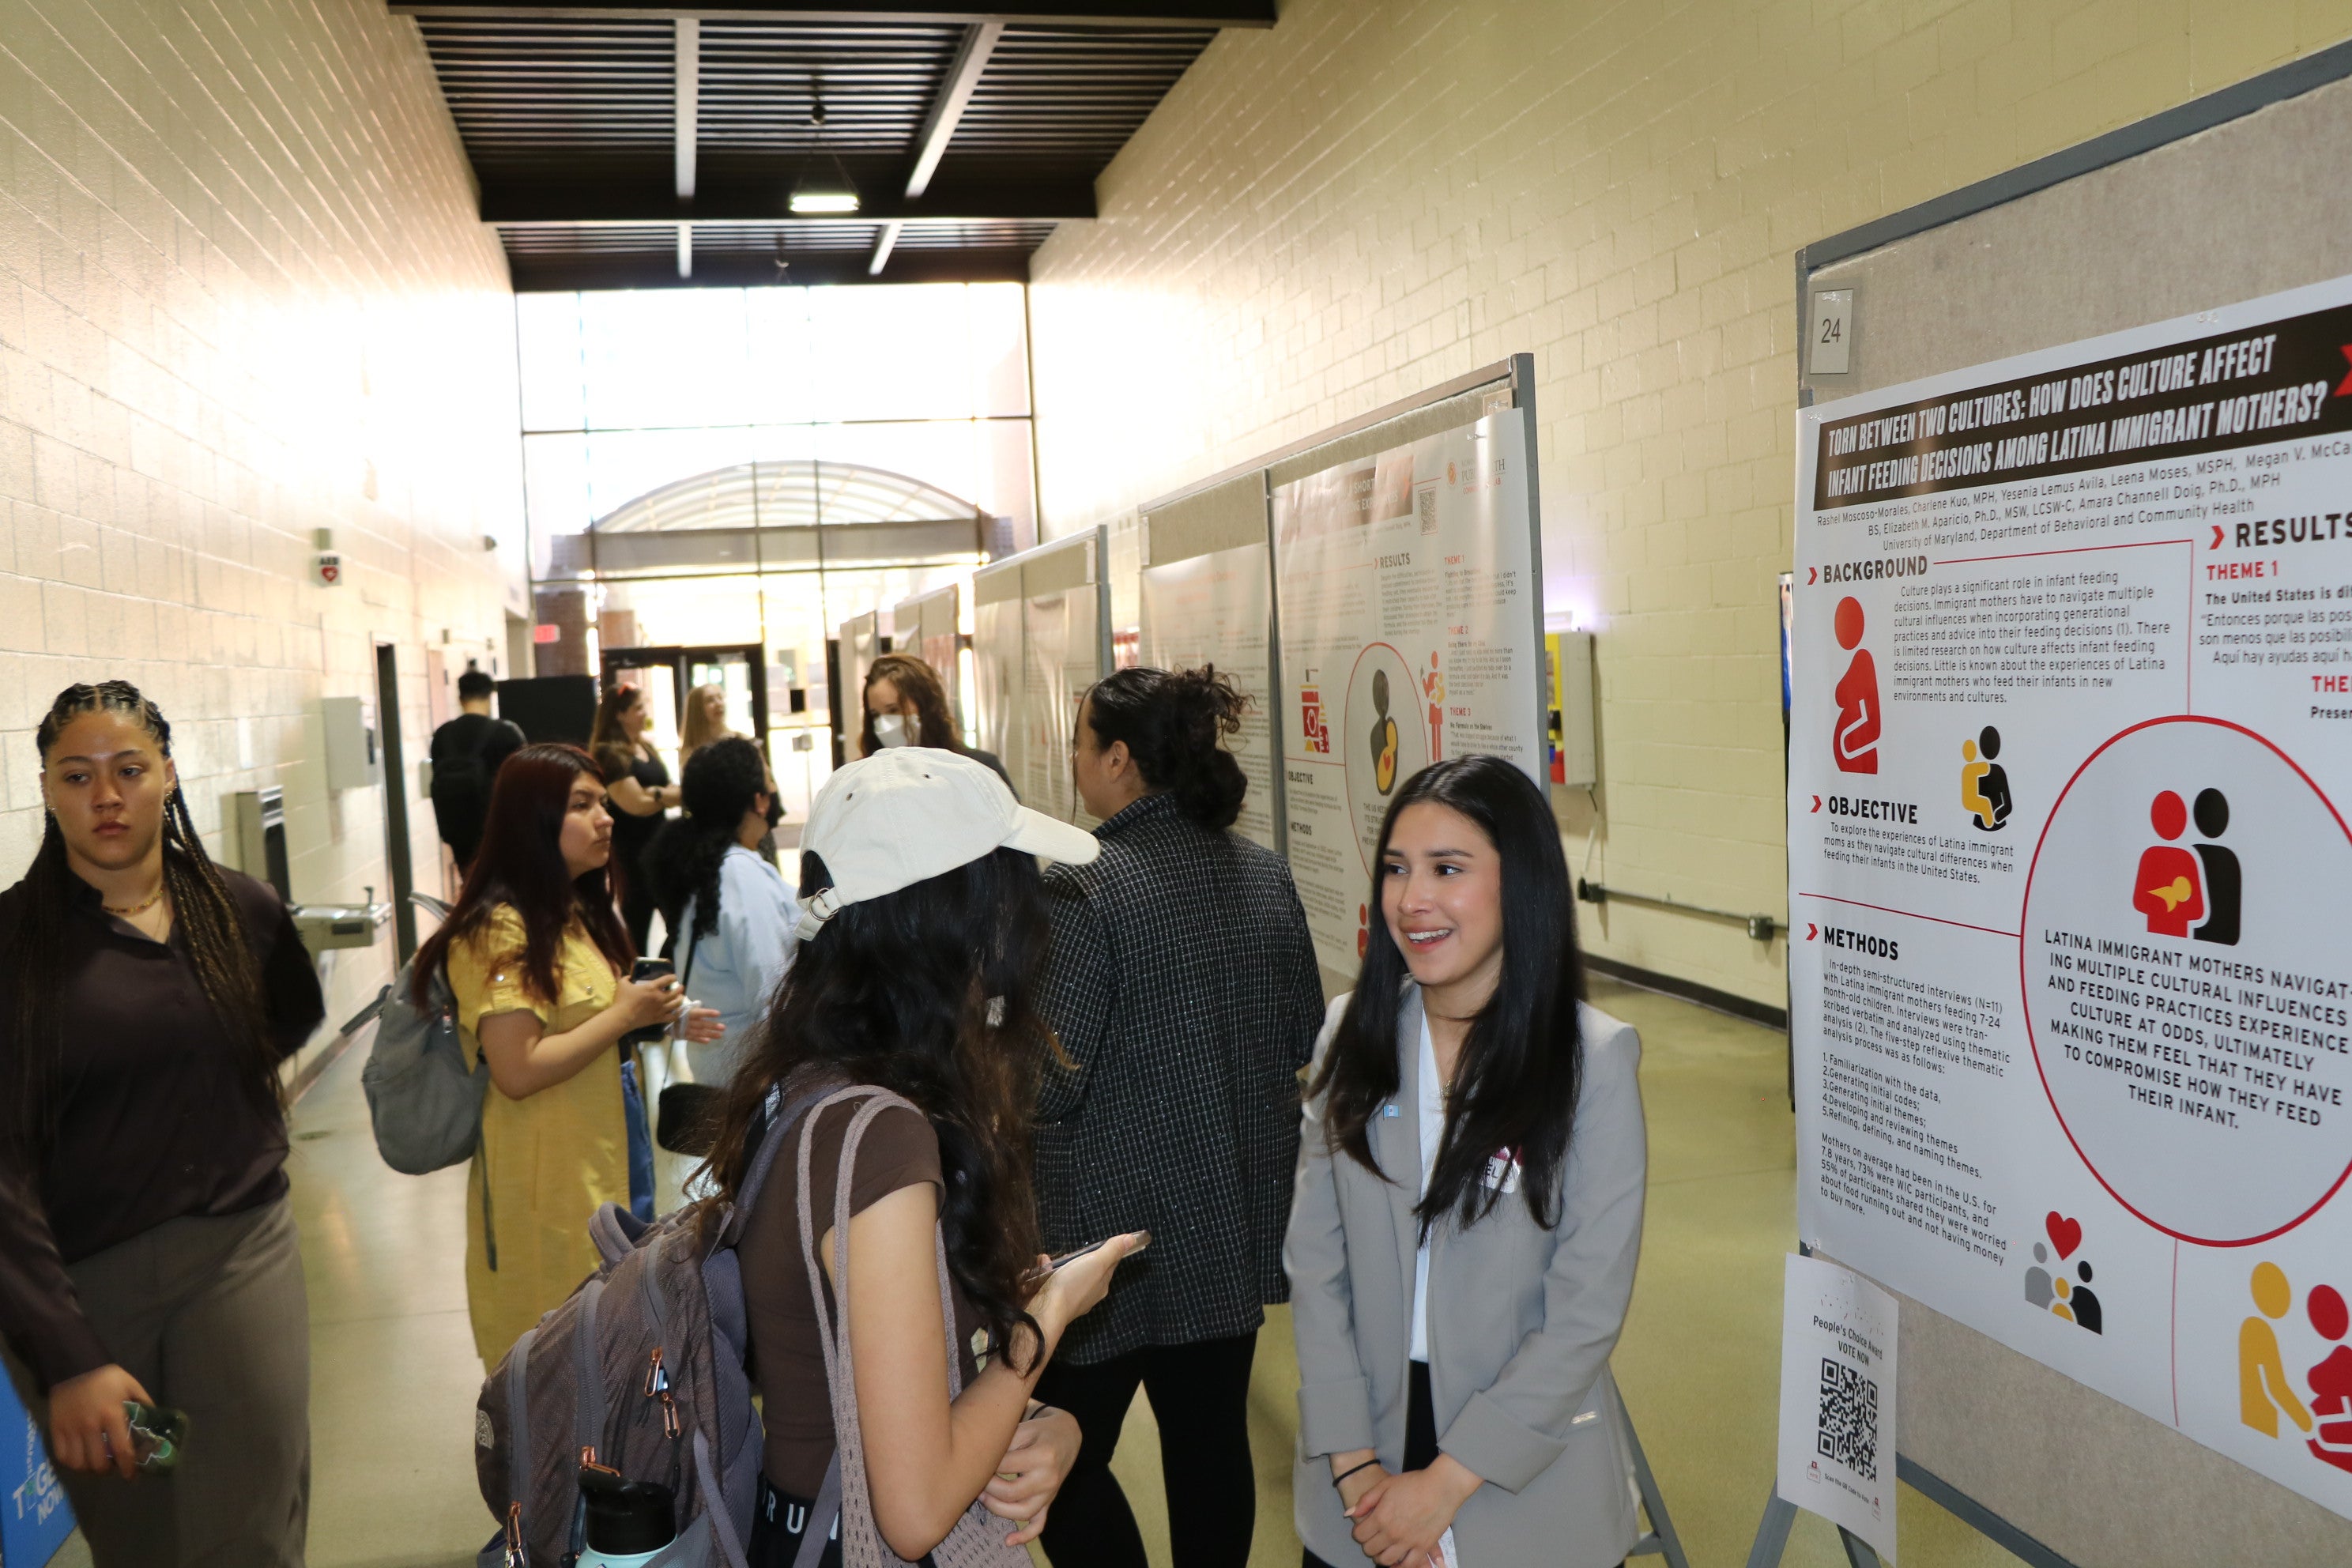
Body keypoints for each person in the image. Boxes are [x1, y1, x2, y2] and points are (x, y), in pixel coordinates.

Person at [699, 746, 1138, 1564]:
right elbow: (913, 1509)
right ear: (951, 918)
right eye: (1010, 891)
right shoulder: (880, 1138)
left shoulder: (809, 1087)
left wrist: (1055, 1425)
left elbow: (906, 1393)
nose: (1026, 922)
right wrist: (1051, 1314)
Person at [1287, 755, 1646, 1568]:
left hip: (1519, 1476)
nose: (1413, 900)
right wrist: (1356, 1473)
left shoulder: (1590, 1062)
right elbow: (1316, 1264)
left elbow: (1584, 1310)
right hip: (1361, 1467)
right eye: (1397, 870)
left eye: (1448, 869)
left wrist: (1443, 1485)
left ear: (1519, 885)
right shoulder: (1352, 1035)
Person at [0, 680, 326, 1565]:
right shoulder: (16, 947)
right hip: (89, 1292)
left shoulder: (240, 910)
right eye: (77, 775)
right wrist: (69, 1357)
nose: (105, 796)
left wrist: (212, 1104)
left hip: (237, 1257)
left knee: (247, 1529)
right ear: (47, 788)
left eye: (129, 769)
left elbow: (291, 1016)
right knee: (143, 1539)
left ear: (168, 775)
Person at [1031, 665, 1325, 1568]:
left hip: (1099, 1248)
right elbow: (1305, 1028)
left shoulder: (1082, 887)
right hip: (1225, 1225)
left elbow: (1048, 1082)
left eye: (1081, 743)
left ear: (1119, 759)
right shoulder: (1265, 876)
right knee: (1210, 1448)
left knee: (1054, 1460)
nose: (1075, 759)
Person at [411, 743, 718, 1366]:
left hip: (604, 1166)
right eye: (583, 805)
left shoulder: (572, 913)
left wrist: (654, 1019)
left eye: (604, 803)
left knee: (612, 1355)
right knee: (558, 1369)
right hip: (545, 1192)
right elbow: (518, 1068)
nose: (606, 818)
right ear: (535, 822)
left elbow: (587, 1023)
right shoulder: (498, 929)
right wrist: (624, 1015)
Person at [646, 736, 798, 1084]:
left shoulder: (701, 868)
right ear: (759, 801)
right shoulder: (741, 875)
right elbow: (770, 991)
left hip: (722, 1064)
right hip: (752, 1074)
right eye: (769, 779)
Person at [590, 682, 681, 956]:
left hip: (659, 855)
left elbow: (675, 792)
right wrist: (660, 795)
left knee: (680, 929)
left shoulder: (644, 747)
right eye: (638, 707)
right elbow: (636, 805)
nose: (645, 713)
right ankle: (644, 987)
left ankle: (666, 984)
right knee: (637, 938)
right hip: (632, 859)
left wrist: (654, 793)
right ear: (620, 714)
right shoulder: (610, 754)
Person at [861, 651, 1010, 786]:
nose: (884, 724)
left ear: (924, 705)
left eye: (894, 710)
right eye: (876, 715)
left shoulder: (978, 768)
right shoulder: (863, 779)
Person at [429, 667, 526, 871]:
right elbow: (524, 783)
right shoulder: (506, 733)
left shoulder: (442, 735)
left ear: (460, 697)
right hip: (499, 831)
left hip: (457, 830)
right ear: (489, 696)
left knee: (471, 884)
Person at [680, 681, 737, 774]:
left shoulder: (738, 741)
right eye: (710, 700)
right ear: (697, 710)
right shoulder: (691, 755)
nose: (719, 704)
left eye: (720, 698)